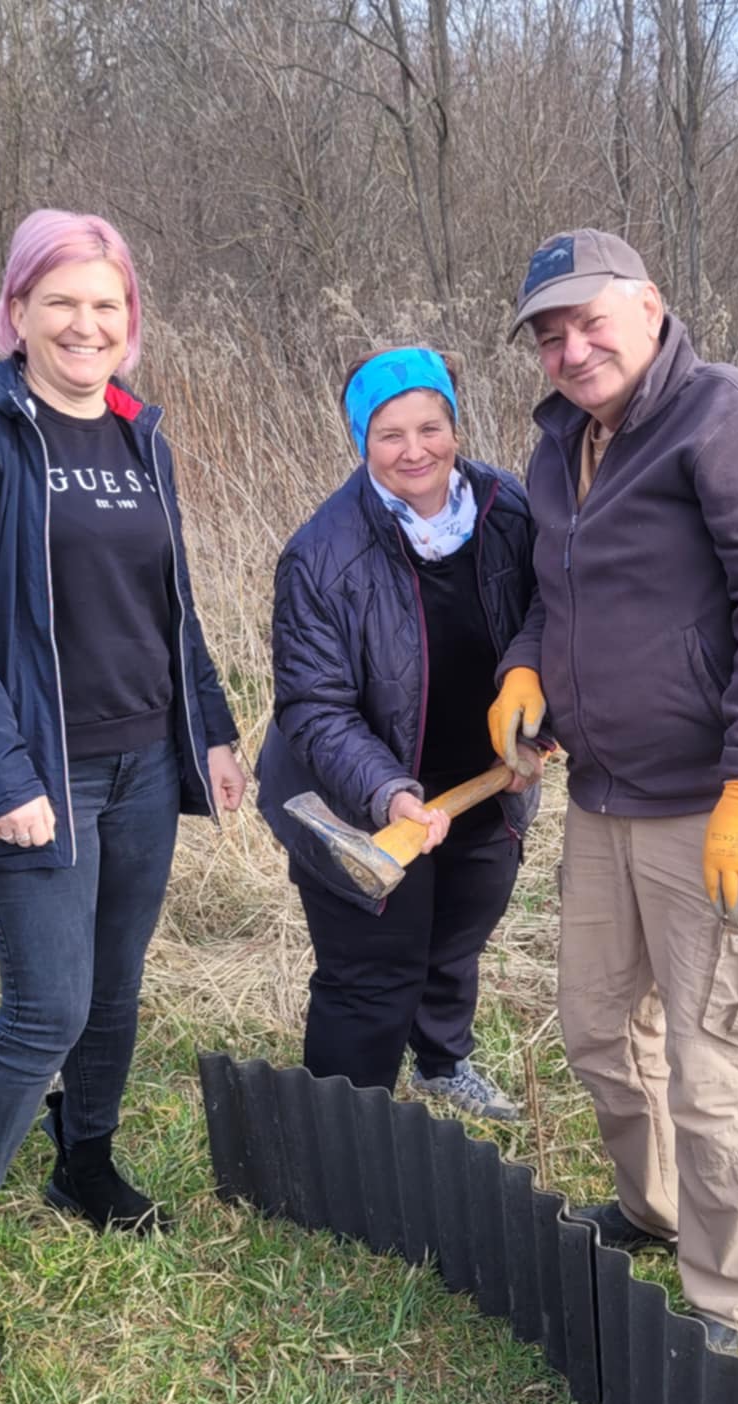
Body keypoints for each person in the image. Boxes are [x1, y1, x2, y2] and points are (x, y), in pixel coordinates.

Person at [0, 208, 245, 1374]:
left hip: (147, 761)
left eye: (106, 305)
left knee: (115, 987)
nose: (84, 324)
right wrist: (3, 776)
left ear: (130, 322)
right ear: (18, 313)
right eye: (61, 303)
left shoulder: (142, 435)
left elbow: (171, 604)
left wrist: (213, 729)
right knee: (43, 1006)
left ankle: (82, 1157)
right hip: (36, 775)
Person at [491, 230, 738, 1356]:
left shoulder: (736, 422)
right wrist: (522, 666)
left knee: (714, 1066)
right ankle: (653, 1212)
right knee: (597, 1033)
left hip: (719, 809)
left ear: (649, 305)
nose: (572, 348)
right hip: (604, 798)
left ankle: (731, 1312)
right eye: (550, 335)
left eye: (591, 321)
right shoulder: (561, 447)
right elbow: (555, 595)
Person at [257, 346, 542, 1120]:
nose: (415, 449)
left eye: (431, 426)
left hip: (483, 780)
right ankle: (344, 1125)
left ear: (455, 424)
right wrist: (387, 794)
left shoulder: (507, 510)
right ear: (361, 441)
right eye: (390, 434)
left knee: (456, 936)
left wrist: (538, 726)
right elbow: (313, 706)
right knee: (371, 969)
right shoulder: (321, 554)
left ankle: (442, 1064)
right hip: (359, 795)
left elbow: (548, 622)